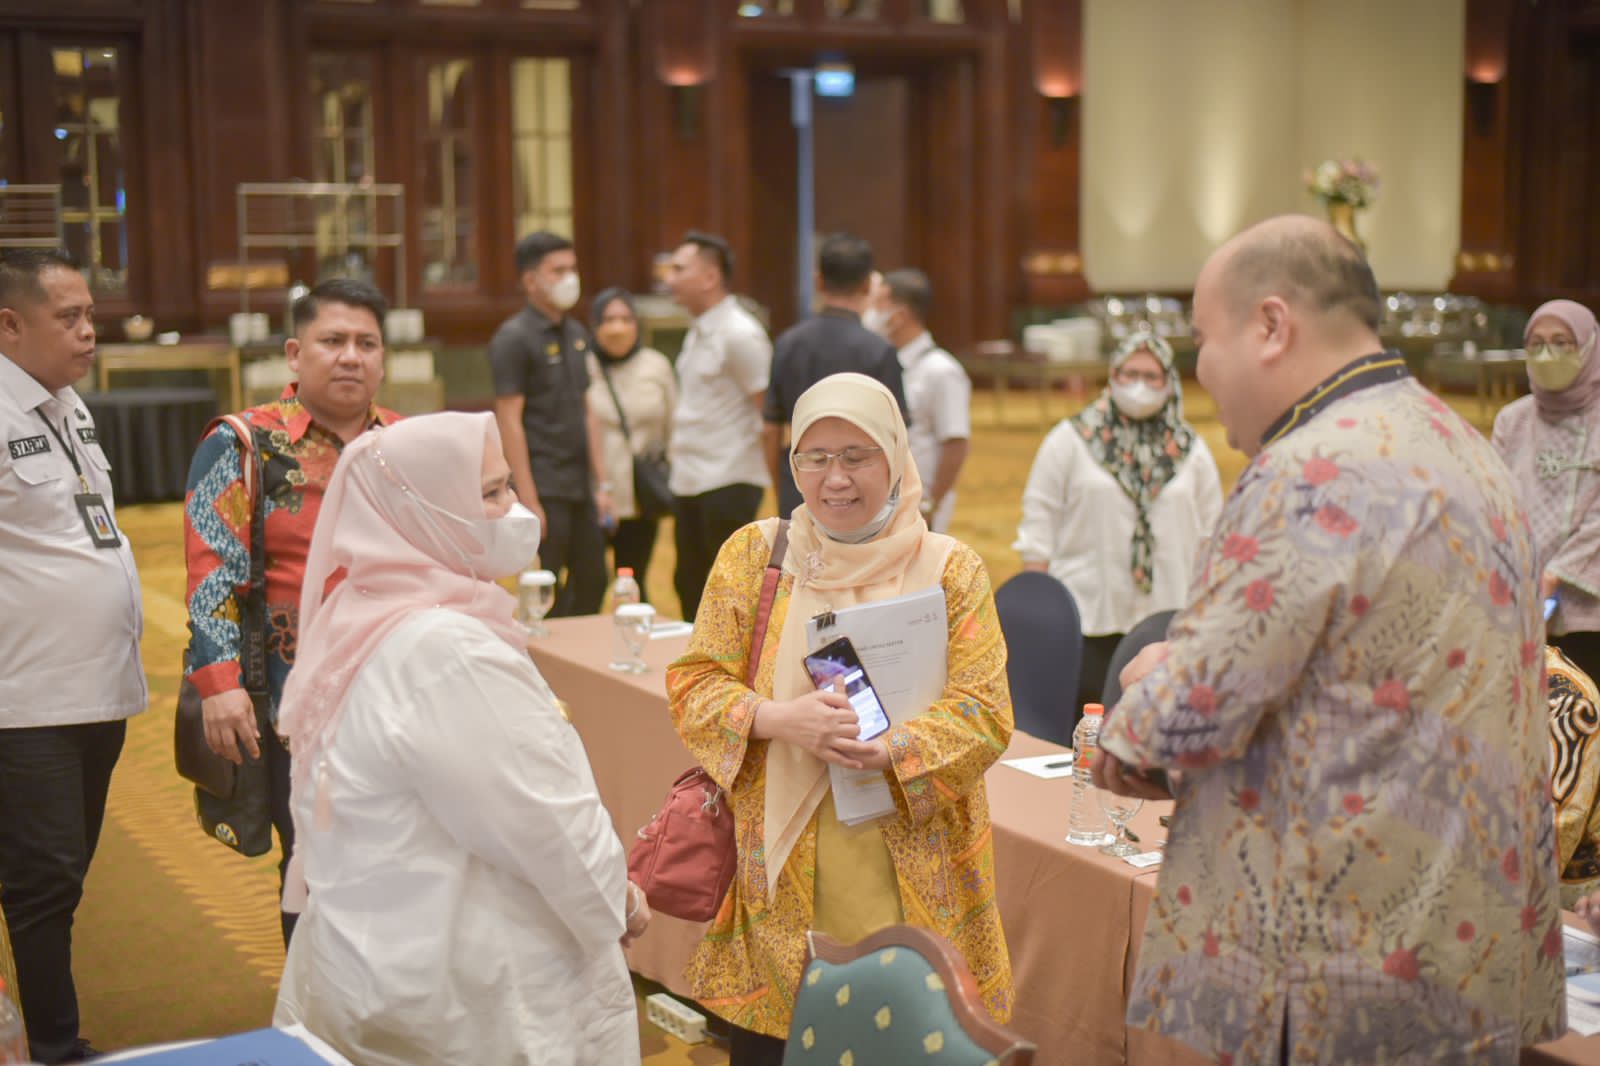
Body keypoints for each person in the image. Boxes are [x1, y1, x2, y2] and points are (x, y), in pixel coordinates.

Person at [1092, 216, 1564, 1064]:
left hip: (1334, 959)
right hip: (1469, 939)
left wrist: (1149, 680)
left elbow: (1187, 710)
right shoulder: (1466, 446)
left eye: (1203, 339)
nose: (1198, 370)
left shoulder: (1310, 470)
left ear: (1271, 326)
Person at [272, 411, 647, 1064]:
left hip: (376, 959)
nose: (516, 511)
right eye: (491, 493)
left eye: (509, 486)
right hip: (459, 991)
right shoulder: (446, 650)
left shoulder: (369, 607)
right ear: (422, 510)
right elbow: (544, 819)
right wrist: (615, 902)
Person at [667, 373, 1014, 1064]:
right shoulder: (756, 557)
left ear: (894, 455)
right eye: (813, 457)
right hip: (782, 875)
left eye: (856, 456)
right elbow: (693, 682)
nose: (835, 479)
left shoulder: (951, 571)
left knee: (903, 1038)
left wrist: (897, 750)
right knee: (784, 1040)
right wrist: (775, 716)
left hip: (914, 869)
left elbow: (985, 710)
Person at [184, 278, 399, 947]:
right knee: (309, 862)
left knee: (399, 855)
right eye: (332, 341)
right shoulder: (246, 443)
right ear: (294, 353)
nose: (350, 357)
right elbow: (211, 567)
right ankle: (317, 1023)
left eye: (366, 343)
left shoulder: (405, 443)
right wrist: (217, 686)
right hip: (289, 698)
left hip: (396, 689)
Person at [0, 248, 144, 1064]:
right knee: (43, 882)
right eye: (71, 318)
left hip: (97, 689)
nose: (91, 332)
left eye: (92, 316)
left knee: (62, 876)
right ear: (10, 325)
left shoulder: (68, 406)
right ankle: (54, 1045)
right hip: (25, 698)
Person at [1013, 330, 1223, 709]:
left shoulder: (1191, 451)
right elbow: (1039, 521)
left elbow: (1213, 534)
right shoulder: (1071, 440)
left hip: (1166, 619)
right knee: (1084, 727)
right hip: (1088, 613)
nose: (1138, 385)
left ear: (1168, 382)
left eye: (1150, 376)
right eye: (1128, 374)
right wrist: (1040, 613)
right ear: (1112, 376)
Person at [490, 230, 610, 617]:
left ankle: (577, 664)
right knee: (544, 587)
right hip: (543, 482)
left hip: (580, 485)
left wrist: (602, 482)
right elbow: (509, 419)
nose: (569, 278)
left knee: (594, 579)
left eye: (572, 268)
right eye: (558, 270)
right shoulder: (514, 338)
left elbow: (588, 411)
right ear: (531, 280)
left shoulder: (576, 334)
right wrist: (528, 497)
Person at [665, 230, 772, 621]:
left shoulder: (740, 334)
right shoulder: (698, 330)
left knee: (729, 595)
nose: (669, 278)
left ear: (710, 277)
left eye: (679, 269)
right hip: (691, 478)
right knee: (688, 583)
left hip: (730, 479)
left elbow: (769, 412)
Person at [1491, 299, 1600, 681]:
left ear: (1589, 347)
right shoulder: (1513, 419)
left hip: (1589, 603)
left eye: (1561, 342)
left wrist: (1555, 574)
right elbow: (1495, 501)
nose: (1546, 353)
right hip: (1522, 595)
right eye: (1536, 343)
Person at [764, 233, 909, 519]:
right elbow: (899, 438)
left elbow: (770, 429)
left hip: (801, 481)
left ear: (817, 281)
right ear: (868, 284)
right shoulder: (879, 351)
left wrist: (783, 485)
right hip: (862, 492)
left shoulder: (787, 343)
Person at [865, 268, 971, 532]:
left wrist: (931, 503)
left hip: (921, 505)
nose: (869, 312)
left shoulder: (941, 370)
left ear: (898, 317)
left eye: (877, 304)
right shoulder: (882, 364)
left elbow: (955, 443)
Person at [586, 287, 677, 595]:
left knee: (635, 582)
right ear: (595, 324)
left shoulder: (656, 366)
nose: (618, 327)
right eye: (609, 319)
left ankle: (633, 640)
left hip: (642, 495)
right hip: (593, 496)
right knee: (591, 583)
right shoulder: (584, 367)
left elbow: (672, 427)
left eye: (626, 318)